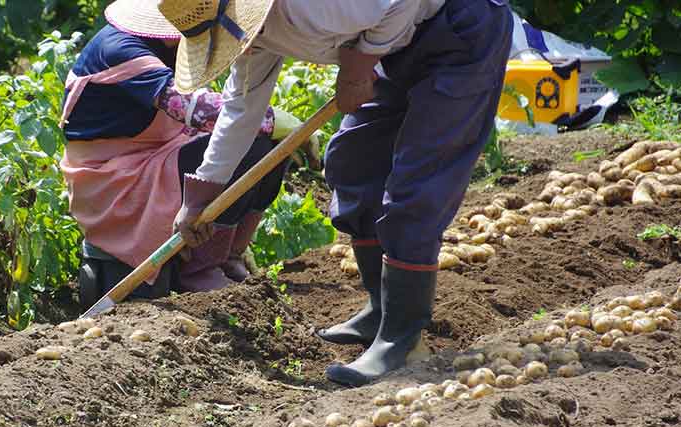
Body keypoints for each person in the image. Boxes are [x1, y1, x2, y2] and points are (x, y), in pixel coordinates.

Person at [158, 0, 513, 387]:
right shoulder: (250, 37)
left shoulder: (313, 6)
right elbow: (242, 109)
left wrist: (360, 64)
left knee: (415, 185)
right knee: (353, 160)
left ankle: (402, 339)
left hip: (459, 32)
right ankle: (381, 310)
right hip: (396, 48)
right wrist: (201, 193)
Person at [59, 0, 310, 308]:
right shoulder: (119, 49)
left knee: (269, 150)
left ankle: (229, 254)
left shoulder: (168, 44)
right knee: (249, 145)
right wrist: (269, 119)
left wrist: (266, 125)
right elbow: (191, 107)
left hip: (155, 151)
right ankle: (199, 267)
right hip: (115, 176)